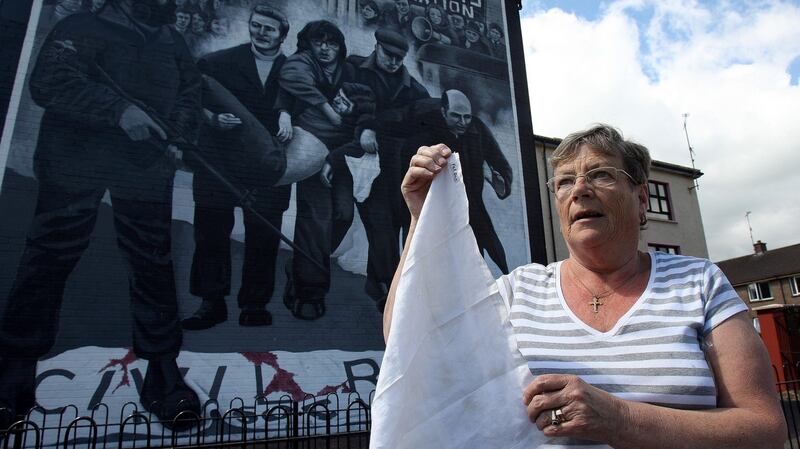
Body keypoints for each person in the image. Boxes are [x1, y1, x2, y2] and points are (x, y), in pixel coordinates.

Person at [385, 124, 786, 448]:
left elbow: (764, 430)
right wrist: (422, 219)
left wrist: (620, 419)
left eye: (600, 174)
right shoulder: (517, 291)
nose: (579, 189)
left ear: (642, 198)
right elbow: (409, 338)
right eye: (563, 182)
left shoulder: (699, 283)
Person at [0, 0, 202, 429]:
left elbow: (189, 93)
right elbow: (49, 81)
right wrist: (118, 110)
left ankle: (163, 374)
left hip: (144, 168)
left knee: (153, 264)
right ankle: (14, 367)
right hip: (75, 160)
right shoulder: (81, 26)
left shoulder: (172, 42)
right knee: (48, 257)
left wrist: (179, 135)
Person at [182, 5, 292, 330]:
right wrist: (212, 118)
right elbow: (189, 99)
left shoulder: (295, 73)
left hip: (268, 170)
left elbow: (309, 114)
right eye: (256, 26)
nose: (260, 32)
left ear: (282, 35)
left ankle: (254, 305)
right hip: (219, 162)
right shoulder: (217, 63)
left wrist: (289, 116)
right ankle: (210, 303)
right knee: (212, 234)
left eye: (268, 29)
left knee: (263, 238)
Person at [346, 28, 429, 310]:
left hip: (394, 168)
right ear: (377, 46)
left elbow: (424, 129)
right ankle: (383, 286)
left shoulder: (414, 89)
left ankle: (382, 286)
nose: (394, 62)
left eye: (399, 57)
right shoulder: (353, 68)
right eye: (388, 55)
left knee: (388, 227)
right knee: (373, 226)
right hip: (356, 161)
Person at [277, 20, 354, 320]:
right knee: (315, 220)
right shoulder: (301, 64)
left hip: (341, 155)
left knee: (343, 216)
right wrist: (285, 113)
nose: (325, 48)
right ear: (308, 43)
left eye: (331, 43)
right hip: (310, 148)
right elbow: (289, 84)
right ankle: (309, 294)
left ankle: (301, 261)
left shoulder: (351, 71)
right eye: (319, 42)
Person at [403, 90, 512, 273]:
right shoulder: (425, 127)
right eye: (456, 116)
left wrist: (501, 181)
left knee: (485, 249)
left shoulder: (477, 128)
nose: (463, 123)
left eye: (467, 117)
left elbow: (500, 162)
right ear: (444, 111)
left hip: (473, 203)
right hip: (439, 207)